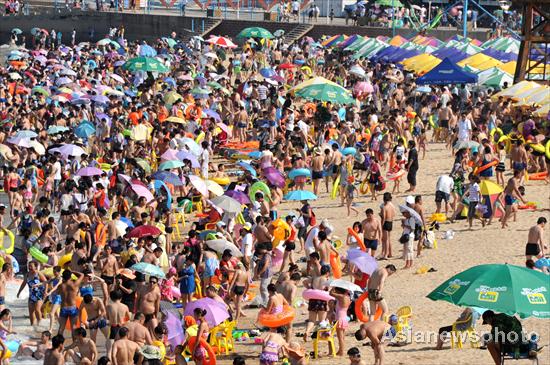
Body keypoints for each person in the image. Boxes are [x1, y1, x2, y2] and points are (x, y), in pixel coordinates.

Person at [379, 192, 396, 260]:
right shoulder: (392, 206)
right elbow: (394, 214)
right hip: (390, 222)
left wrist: (381, 225)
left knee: (385, 240)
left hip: (386, 223)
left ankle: (385, 254)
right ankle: (390, 253)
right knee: (388, 239)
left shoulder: (384, 207)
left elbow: (384, 217)